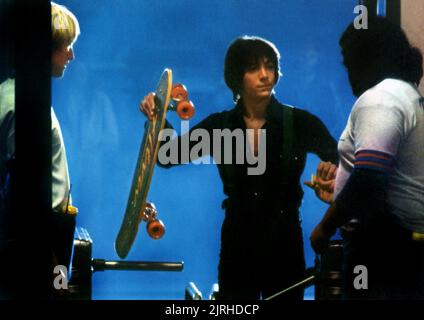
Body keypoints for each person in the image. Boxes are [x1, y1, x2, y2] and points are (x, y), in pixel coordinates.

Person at [140, 35, 338, 300]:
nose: (265, 75)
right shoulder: (219, 125)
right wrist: (158, 116)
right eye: (254, 68)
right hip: (237, 241)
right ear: (237, 77)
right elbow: (167, 156)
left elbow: (339, 158)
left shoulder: (299, 122)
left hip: (285, 241)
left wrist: (329, 172)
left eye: (270, 66)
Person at [309, 16, 424, 299]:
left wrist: (325, 227)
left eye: (349, 63)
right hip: (403, 248)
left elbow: (370, 178)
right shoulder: (406, 95)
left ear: (370, 59)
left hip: (381, 251)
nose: (348, 74)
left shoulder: (380, 99)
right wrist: (341, 189)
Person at [0, 1, 80, 297]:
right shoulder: (23, 103)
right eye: (66, 45)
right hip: (42, 245)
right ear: (45, 47)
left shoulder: (17, 94)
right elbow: (24, 188)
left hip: (46, 240)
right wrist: (53, 264)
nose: (71, 54)